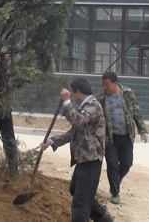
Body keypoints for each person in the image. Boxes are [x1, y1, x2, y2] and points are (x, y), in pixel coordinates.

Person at [41, 78, 115, 222]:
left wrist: (67, 102)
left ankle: (102, 218)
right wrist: (52, 141)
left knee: (80, 204)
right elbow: (72, 132)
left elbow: (77, 120)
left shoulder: (93, 106)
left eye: (74, 95)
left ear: (78, 92)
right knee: (75, 190)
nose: (73, 99)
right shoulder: (84, 107)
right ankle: (103, 217)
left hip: (91, 160)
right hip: (84, 159)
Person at [95, 71, 148, 205]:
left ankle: (115, 182)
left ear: (115, 83)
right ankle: (115, 192)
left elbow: (136, 111)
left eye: (107, 85)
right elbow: (92, 108)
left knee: (127, 163)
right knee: (112, 164)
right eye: (103, 85)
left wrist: (142, 130)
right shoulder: (101, 97)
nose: (105, 88)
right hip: (110, 138)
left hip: (127, 137)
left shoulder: (128, 93)